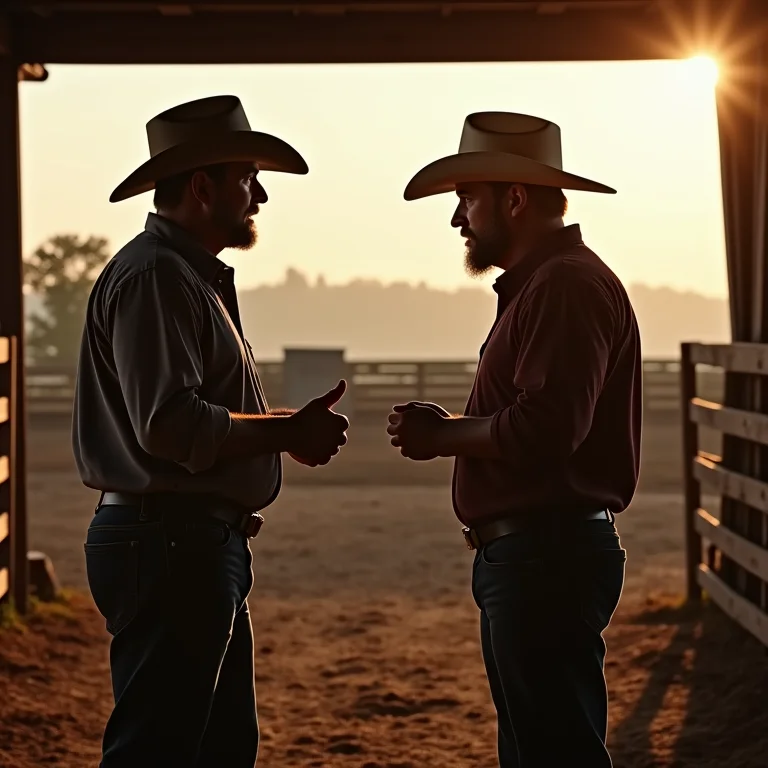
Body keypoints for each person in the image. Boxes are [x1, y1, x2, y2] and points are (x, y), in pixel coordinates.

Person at [72, 95, 349, 768]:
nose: (259, 196)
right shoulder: (159, 277)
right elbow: (169, 425)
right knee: (165, 748)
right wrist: (285, 434)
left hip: (181, 539)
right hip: (174, 542)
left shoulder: (176, 274)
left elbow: (179, 416)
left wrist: (285, 429)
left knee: (208, 745)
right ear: (202, 187)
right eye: (247, 179)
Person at [387, 112, 641, 768]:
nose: (458, 219)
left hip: (542, 559)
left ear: (516, 199)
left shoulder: (563, 285)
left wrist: (444, 435)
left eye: (467, 199)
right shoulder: (552, 284)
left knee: (551, 751)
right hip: (538, 555)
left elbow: (548, 428)